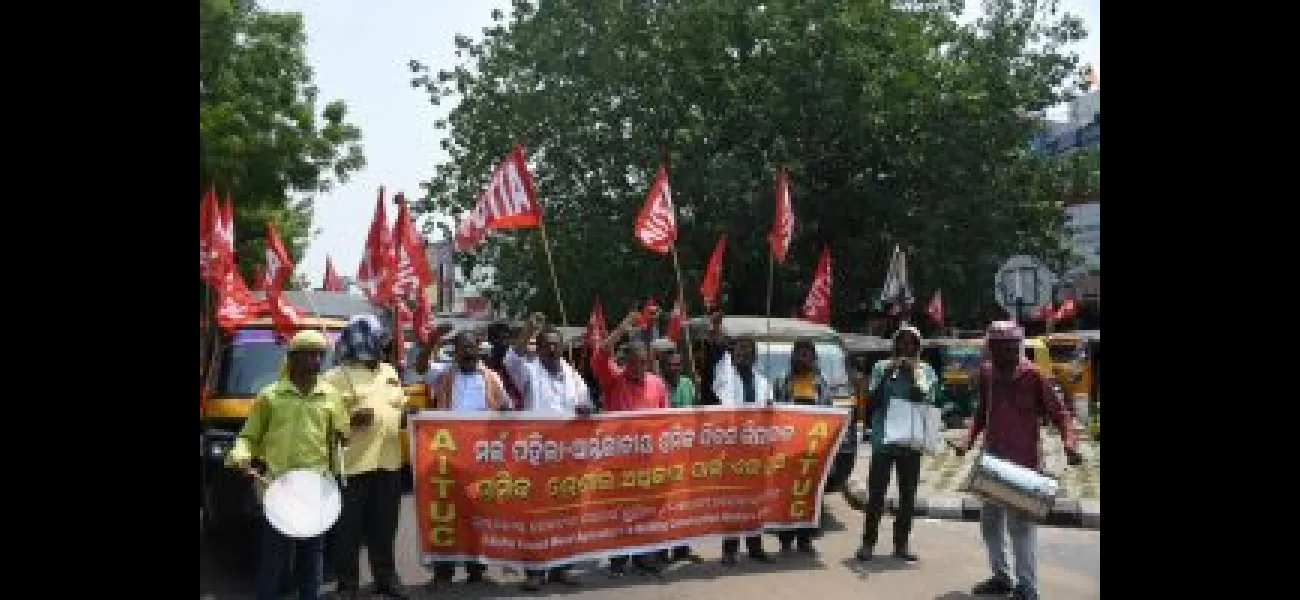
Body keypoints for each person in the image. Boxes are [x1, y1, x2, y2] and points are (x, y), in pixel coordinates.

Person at [226, 330, 365, 600]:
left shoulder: (330, 396)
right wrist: (241, 457)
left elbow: (340, 437)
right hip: (276, 489)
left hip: (315, 490)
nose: (316, 361)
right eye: (310, 355)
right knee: (274, 560)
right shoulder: (270, 396)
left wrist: (349, 426)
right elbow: (248, 436)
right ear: (293, 359)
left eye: (320, 356)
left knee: (312, 559)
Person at [957, 321, 1082, 600]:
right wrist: (967, 441)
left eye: (1012, 347)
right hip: (992, 461)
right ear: (992, 349)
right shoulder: (988, 374)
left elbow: (1061, 415)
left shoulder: (1034, 376)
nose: (1008, 353)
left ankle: (1027, 588)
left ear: (1019, 346)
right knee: (990, 524)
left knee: (1021, 528)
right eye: (1000, 347)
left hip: (1024, 463)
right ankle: (1002, 578)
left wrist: (1069, 444)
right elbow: (980, 413)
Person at [503, 313, 593, 591]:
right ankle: (535, 571)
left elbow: (586, 403)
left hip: (567, 457)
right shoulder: (529, 371)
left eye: (556, 345)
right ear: (538, 347)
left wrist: (586, 409)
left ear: (562, 348)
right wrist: (530, 327)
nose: (552, 349)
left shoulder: (572, 374)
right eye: (546, 345)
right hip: (536, 457)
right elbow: (510, 359)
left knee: (565, 514)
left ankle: (560, 568)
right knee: (535, 515)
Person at [323, 316, 411, 599]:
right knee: (348, 528)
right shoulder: (335, 377)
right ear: (362, 340)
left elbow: (399, 405)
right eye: (378, 337)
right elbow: (324, 422)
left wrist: (407, 417)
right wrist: (350, 420)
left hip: (389, 462)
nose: (384, 343)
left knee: (385, 525)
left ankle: (386, 578)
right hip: (353, 465)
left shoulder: (389, 371)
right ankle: (347, 584)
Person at [426, 331, 510, 586]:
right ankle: (443, 572)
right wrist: (433, 341)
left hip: (480, 459)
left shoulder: (492, 377)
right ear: (455, 351)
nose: (468, 351)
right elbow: (417, 368)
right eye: (463, 347)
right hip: (448, 457)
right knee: (446, 515)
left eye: (472, 347)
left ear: (479, 349)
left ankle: (477, 570)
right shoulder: (443, 374)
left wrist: (505, 412)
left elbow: (505, 407)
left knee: (479, 514)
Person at [592, 311, 671, 577]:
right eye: (632, 362)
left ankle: (640, 555)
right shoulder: (613, 380)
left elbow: (666, 422)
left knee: (643, 510)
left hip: (648, 461)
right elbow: (601, 353)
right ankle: (617, 557)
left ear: (648, 362)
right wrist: (623, 327)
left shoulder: (658, 385)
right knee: (618, 509)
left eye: (642, 362)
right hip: (618, 461)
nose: (637, 366)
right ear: (624, 362)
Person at [854, 325, 939, 563]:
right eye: (902, 342)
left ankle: (901, 544)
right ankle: (867, 543)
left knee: (907, 495)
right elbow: (872, 402)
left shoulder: (926, 371)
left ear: (918, 347)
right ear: (895, 345)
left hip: (910, 442)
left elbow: (924, 399)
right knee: (876, 494)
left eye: (911, 343)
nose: (906, 347)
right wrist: (887, 375)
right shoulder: (882, 367)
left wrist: (911, 374)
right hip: (884, 441)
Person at [702, 310, 774, 566]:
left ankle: (755, 546)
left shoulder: (764, 382)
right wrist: (715, 329)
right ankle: (729, 549)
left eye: (749, 350)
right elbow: (713, 356)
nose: (744, 354)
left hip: (756, 451)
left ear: (755, 356)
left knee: (755, 501)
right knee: (732, 500)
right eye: (740, 349)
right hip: (731, 449)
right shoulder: (724, 375)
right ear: (733, 354)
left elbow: (771, 416)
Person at [772, 339, 834, 555]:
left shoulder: (821, 382)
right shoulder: (781, 381)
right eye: (800, 353)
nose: (803, 358)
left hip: (812, 450)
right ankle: (786, 540)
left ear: (814, 358)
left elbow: (828, 413)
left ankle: (805, 540)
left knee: (811, 494)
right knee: (787, 495)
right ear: (793, 356)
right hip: (789, 451)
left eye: (808, 354)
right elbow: (776, 413)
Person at [655, 347, 704, 564]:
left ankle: (682, 548)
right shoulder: (656, 384)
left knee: (684, 504)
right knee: (663, 506)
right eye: (670, 365)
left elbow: (695, 412)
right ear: (662, 366)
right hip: (662, 455)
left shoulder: (688, 384)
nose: (674, 368)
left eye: (677, 364)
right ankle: (661, 550)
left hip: (685, 454)